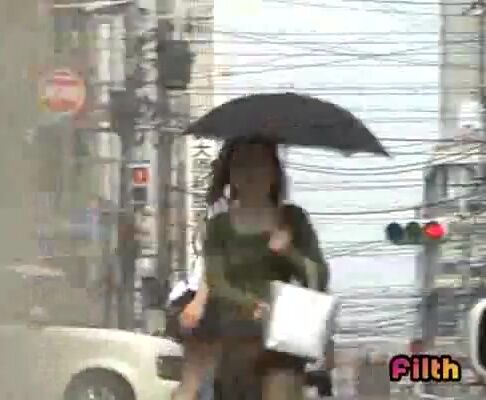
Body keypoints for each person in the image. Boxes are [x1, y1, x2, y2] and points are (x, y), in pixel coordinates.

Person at [176, 133, 329, 400]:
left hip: (281, 339)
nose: (250, 173)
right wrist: (251, 305)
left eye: (259, 163)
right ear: (229, 174)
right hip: (233, 339)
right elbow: (216, 280)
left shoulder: (293, 219)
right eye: (241, 164)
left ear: (273, 172)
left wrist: (289, 252)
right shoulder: (219, 226)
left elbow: (319, 277)